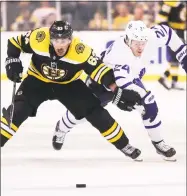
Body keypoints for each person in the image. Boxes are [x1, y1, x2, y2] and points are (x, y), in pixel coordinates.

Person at [1, 20, 144, 161]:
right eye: (56, 40)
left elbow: (100, 70)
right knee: (17, 111)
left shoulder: (80, 50)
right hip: (37, 81)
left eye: (64, 40)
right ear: (50, 38)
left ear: (71, 39)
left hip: (68, 85)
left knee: (95, 111)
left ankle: (124, 145)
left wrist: (115, 89)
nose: (60, 44)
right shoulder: (39, 37)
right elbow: (15, 42)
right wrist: (12, 59)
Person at [53, 20, 187, 161]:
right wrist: (136, 96)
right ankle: (61, 128)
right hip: (101, 83)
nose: (140, 47)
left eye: (143, 43)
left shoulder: (151, 37)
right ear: (128, 40)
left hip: (129, 78)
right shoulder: (119, 53)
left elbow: (169, 33)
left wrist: (182, 53)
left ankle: (159, 143)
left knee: (149, 105)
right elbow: (123, 84)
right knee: (80, 114)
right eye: (136, 43)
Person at [156, 1, 186, 90]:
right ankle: (173, 81)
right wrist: (169, 31)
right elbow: (160, 20)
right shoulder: (169, 3)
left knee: (178, 57)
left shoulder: (180, 3)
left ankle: (164, 78)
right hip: (175, 32)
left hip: (179, 32)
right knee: (176, 57)